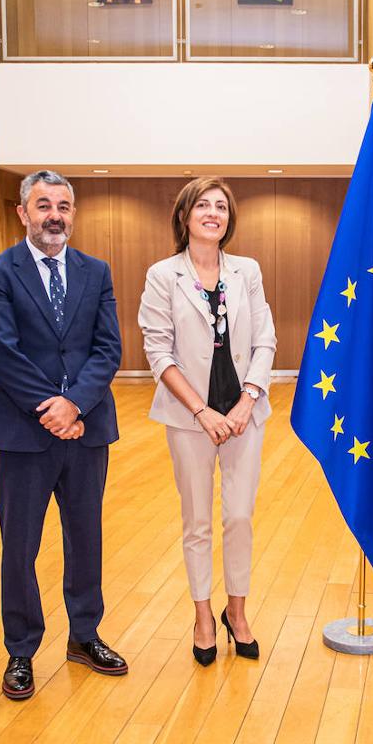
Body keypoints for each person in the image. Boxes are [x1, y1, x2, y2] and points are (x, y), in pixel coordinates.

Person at [0, 170, 126, 699]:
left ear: (73, 213)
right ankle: (21, 649)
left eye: (63, 205)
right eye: (43, 205)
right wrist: (53, 408)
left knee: (86, 536)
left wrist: (76, 404)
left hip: (87, 431)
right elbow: (0, 351)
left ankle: (84, 635)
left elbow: (108, 348)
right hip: (23, 433)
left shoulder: (96, 271)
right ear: (23, 213)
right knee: (20, 545)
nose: (54, 215)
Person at [137, 177, 276, 666]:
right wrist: (202, 410)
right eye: (203, 205)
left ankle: (236, 612)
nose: (213, 213)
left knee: (239, 516)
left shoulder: (247, 271)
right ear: (185, 216)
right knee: (196, 521)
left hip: (244, 416)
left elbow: (265, 340)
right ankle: (202, 616)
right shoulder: (162, 275)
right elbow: (158, 350)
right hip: (189, 417)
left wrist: (245, 403)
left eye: (221, 206)